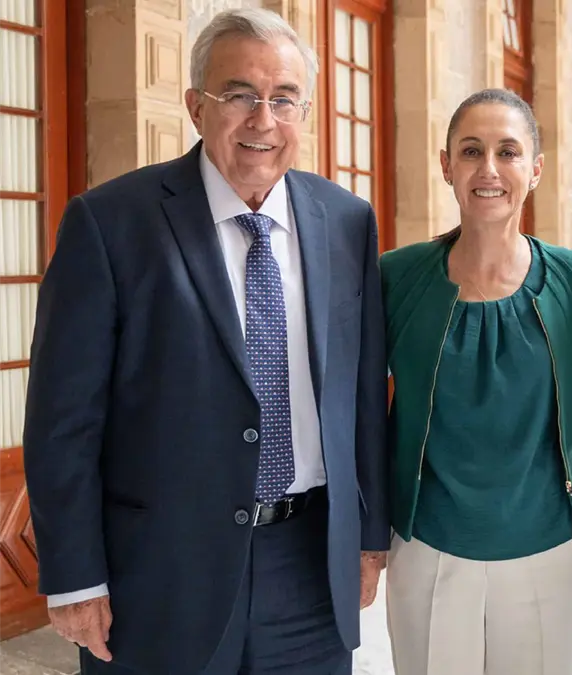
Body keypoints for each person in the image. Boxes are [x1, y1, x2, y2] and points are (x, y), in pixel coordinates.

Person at [22, 8, 389, 674]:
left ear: (304, 113)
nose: (263, 120)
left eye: (284, 99)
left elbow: (361, 397)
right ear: (196, 107)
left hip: (309, 570)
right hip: (159, 575)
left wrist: (367, 535)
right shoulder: (109, 223)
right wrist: (75, 577)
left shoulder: (346, 221)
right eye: (240, 95)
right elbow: (63, 420)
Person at [379, 88, 572, 675]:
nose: (489, 169)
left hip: (546, 546)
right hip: (427, 547)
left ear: (535, 169)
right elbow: (356, 408)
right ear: (446, 165)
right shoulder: (397, 278)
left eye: (508, 151)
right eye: (471, 151)